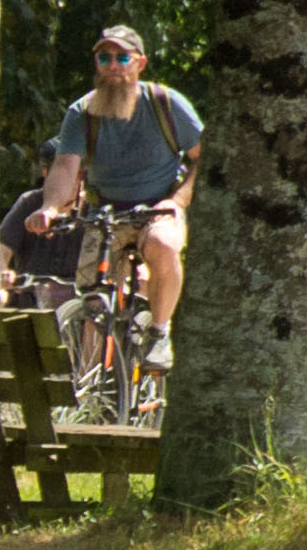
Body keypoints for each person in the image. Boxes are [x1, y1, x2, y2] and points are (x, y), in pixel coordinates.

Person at [24, 25, 203, 372]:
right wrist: (49, 208)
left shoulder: (165, 103)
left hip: (158, 210)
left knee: (164, 245)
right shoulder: (82, 112)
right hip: (105, 213)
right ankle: (91, 388)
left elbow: (204, 157)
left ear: (140, 63)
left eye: (122, 57)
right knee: (92, 301)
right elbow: (64, 165)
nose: (113, 65)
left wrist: (177, 202)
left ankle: (159, 334)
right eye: (104, 58)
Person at [0, 141, 83, 303]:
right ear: (46, 173)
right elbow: (2, 249)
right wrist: (4, 272)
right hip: (31, 298)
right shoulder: (30, 202)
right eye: (64, 174)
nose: (74, 180)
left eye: (79, 173)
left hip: (78, 303)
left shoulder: (92, 208)